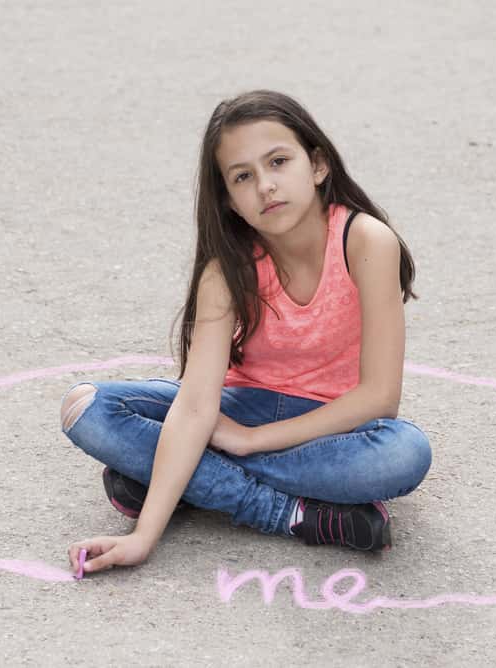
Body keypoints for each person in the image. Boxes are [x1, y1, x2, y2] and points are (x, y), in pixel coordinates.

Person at [61, 89, 432, 575]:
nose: (265, 186)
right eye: (243, 177)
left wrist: (253, 441)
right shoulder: (228, 270)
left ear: (317, 165)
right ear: (230, 201)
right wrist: (142, 537)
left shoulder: (365, 241)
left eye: (278, 161)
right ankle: (293, 514)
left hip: (333, 428)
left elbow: (379, 397)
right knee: (87, 408)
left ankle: (177, 480)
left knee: (403, 454)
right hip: (236, 409)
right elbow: (196, 406)